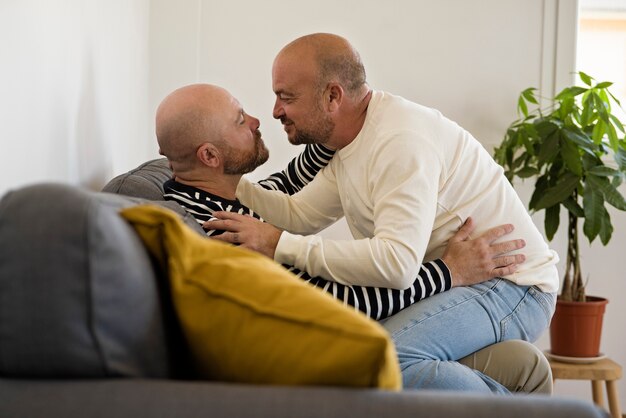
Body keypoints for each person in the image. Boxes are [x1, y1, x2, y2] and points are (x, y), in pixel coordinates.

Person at [205, 34, 560, 394]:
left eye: (287, 96)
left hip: (512, 284)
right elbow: (300, 214)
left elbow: (396, 264)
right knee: (363, 353)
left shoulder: (398, 142)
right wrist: (231, 184)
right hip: (466, 283)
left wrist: (278, 244)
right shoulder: (351, 139)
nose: (276, 110)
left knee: (383, 363)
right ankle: (514, 375)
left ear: (332, 96)